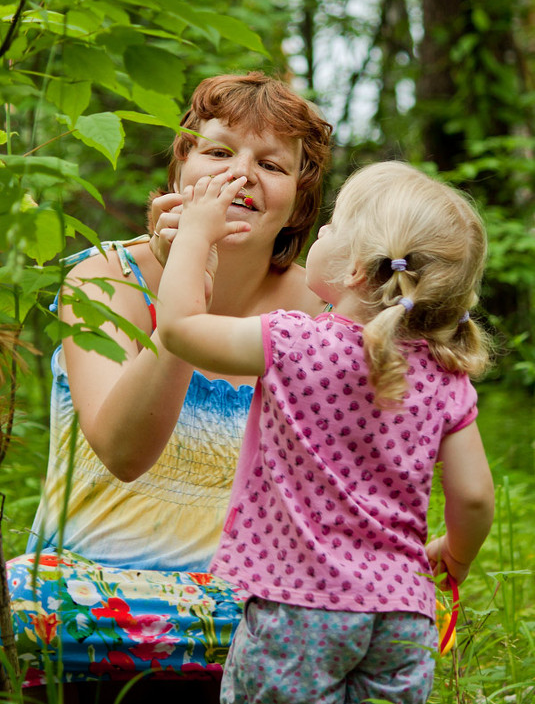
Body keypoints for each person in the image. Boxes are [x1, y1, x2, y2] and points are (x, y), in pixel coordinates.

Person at [6, 71, 333, 698]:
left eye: (271, 164)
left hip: (241, 621)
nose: (239, 176)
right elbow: (125, 453)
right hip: (84, 613)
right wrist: (189, 290)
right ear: (182, 167)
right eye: (217, 151)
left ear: (298, 198)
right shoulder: (107, 280)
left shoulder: (320, 314)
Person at [155, 161, 495, 704]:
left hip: (297, 605)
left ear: (356, 269)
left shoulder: (291, 342)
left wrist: (194, 233)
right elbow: (474, 496)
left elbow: (177, 329)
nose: (322, 231)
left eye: (332, 224)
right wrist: (456, 553)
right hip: (402, 614)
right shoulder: (445, 379)